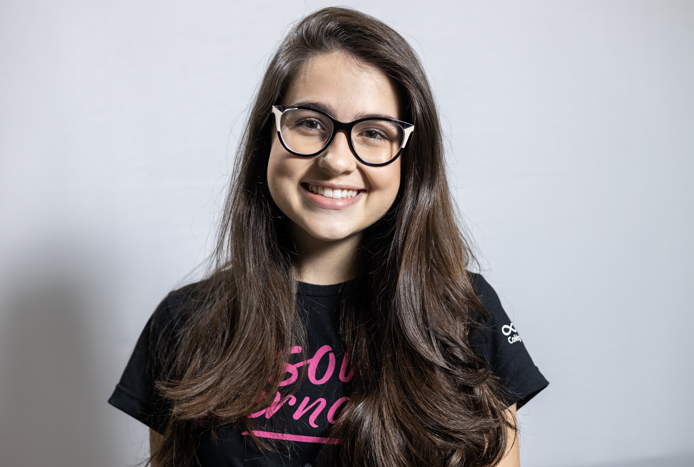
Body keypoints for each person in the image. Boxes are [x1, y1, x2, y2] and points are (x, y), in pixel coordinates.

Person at [109, 7, 548, 467]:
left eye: (373, 132)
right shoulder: (184, 322)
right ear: (268, 136)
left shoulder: (464, 315)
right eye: (310, 122)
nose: (337, 160)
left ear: (410, 160)